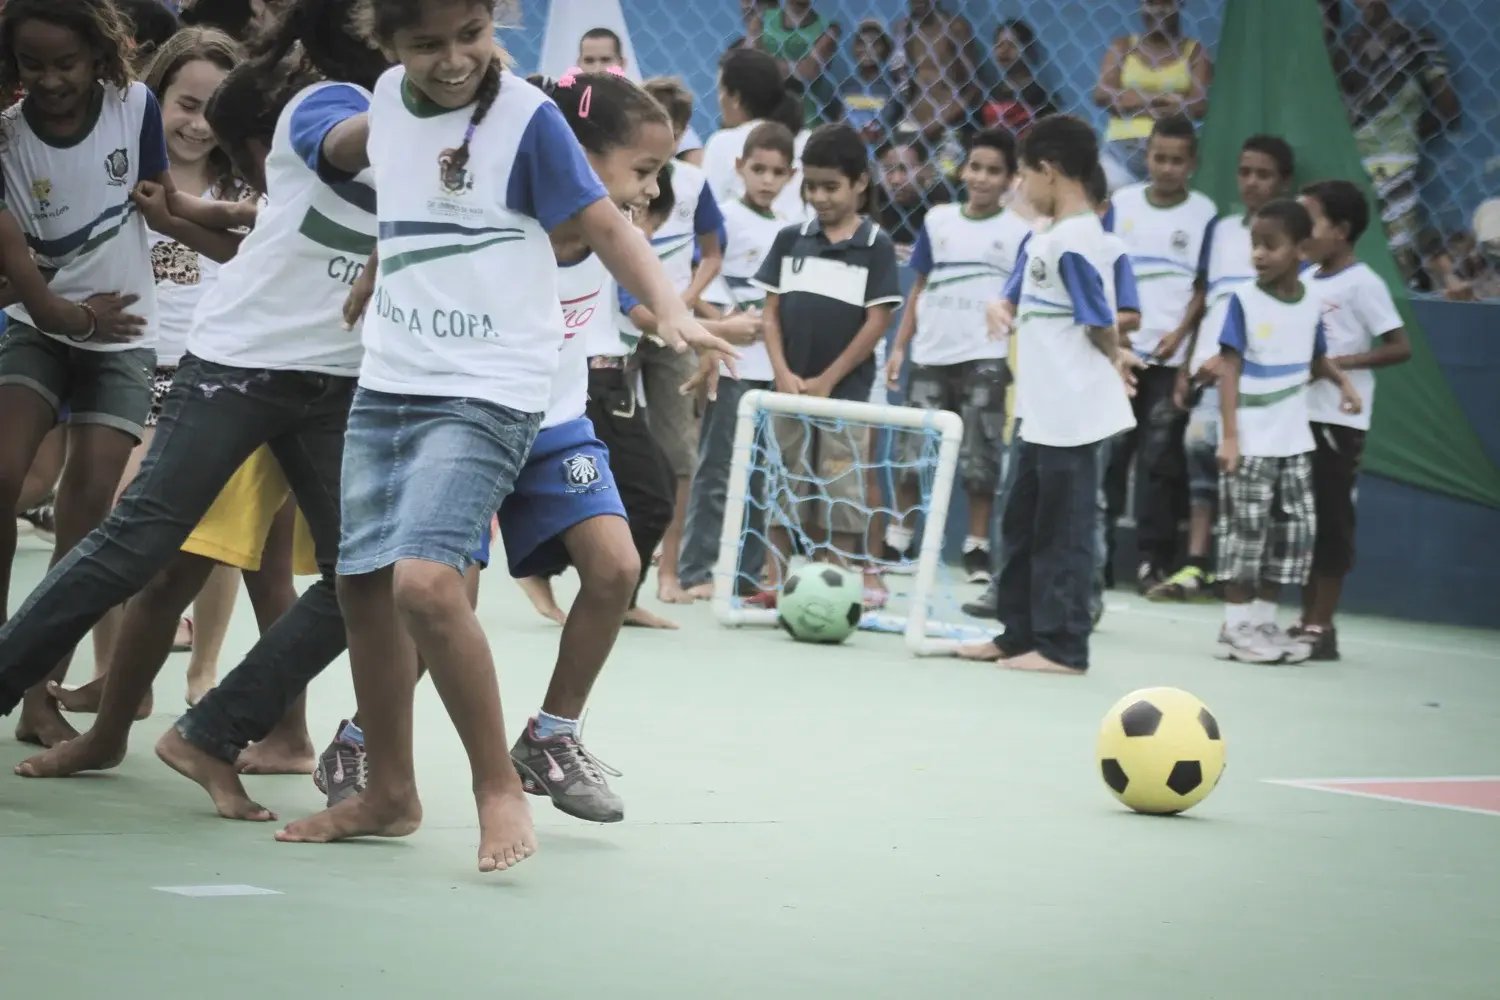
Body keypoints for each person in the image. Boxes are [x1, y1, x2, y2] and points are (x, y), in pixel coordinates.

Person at [271, 0, 730, 873]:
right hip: (391, 380)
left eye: (471, 37)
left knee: (428, 586)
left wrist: (672, 308)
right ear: (387, 46)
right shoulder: (388, 107)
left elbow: (605, 223)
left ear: (495, 24)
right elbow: (409, 205)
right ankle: (389, 791)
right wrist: (378, 269)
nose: (453, 60)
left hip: (489, 388)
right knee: (363, 587)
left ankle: (499, 784)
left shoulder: (526, 118)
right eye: (426, 45)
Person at [0, 0, 386, 784]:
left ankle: (215, 727)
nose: (451, 56)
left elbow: (276, 215)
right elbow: (350, 148)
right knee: (137, 543)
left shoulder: (426, 120)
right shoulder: (333, 107)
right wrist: (450, 105)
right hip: (239, 366)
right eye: (429, 40)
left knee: (363, 574)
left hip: (336, 377)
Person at [0, 0, 226, 747]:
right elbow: (17, 260)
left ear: (100, 55)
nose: (50, 79)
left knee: (90, 505)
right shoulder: (7, 137)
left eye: (64, 63)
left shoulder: (136, 108)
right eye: (32, 65)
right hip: (44, 328)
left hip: (124, 335)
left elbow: (158, 207)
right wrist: (64, 315)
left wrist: (229, 236)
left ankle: (37, 689)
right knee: (5, 473)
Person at [956, 115, 1138, 675]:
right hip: (1039, 412)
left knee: (1065, 530)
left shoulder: (1079, 240)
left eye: (1025, 174)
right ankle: (1017, 635)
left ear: (1050, 172)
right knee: (1023, 522)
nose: (1019, 187)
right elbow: (1024, 292)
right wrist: (1001, 304)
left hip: (1073, 413)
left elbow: (1097, 317)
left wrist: (1117, 356)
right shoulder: (1048, 236)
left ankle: (1064, 647)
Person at [752, 123, 902, 589]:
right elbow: (770, 312)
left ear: (860, 183)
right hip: (790, 390)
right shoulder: (790, 238)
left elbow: (877, 322)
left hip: (846, 394)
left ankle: (833, 579)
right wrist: (781, 372)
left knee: (840, 488)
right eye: (812, 186)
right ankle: (773, 579)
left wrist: (829, 379)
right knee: (783, 481)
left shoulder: (876, 246)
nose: (820, 196)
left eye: (832, 186)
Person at [1149, 134, 1295, 604]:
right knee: (1199, 452)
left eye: (1264, 174)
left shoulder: (1291, 247)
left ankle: (1241, 572)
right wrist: (1187, 362)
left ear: (1283, 182)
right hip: (1204, 369)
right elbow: (1207, 297)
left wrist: (1233, 359)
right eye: (1245, 172)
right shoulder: (1222, 229)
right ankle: (1196, 562)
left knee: (1247, 468)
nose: (1252, 182)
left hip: (1257, 374)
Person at [1214, 199, 1361, 664]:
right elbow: (1229, 369)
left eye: (1270, 246)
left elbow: (1316, 358)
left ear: (1300, 250)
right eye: (1255, 245)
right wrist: (1231, 436)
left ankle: (1262, 620)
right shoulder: (1243, 299)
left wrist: (1343, 383)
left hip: (1295, 443)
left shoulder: (1312, 304)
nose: (1259, 254)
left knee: (1290, 534)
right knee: (1246, 533)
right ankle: (1235, 627)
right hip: (1252, 442)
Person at [884, 128, 1028, 584]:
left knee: (980, 456)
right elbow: (919, 287)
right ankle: (898, 539)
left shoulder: (1020, 233)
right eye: (976, 167)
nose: (982, 178)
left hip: (985, 356)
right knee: (913, 451)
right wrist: (900, 346)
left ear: (1010, 179)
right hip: (931, 353)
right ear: (963, 170)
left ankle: (977, 549)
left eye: (994, 171)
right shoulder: (938, 221)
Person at [678, 121, 797, 601]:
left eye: (777, 172)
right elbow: (693, 275)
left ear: (792, 176)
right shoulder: (722, 216)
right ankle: (697, 569)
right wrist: (721, 320)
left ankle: (747, 576)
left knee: (761, 475)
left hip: (770, 368)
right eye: (758, 169)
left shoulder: (789, 231)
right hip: (730, 364)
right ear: (739, 167)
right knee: (717, 467)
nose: (767, 180)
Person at [1296, 179, 1410, 659]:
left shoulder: (1364, 284)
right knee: (1302, 523)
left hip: (1339, 422)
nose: (1301, 231)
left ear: (1340, 230)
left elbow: (1398, 346)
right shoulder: (1302, 280)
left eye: (1311, 221)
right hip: (1298, 418)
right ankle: (1305, 621)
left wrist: (1341, 365)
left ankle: (1322, 625)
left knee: (1332, 520)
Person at [1106, 114, 1217, 592]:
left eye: (1177, 160)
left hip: (1170, 360)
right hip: (1120, 352)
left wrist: (1182, 337)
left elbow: (1202, 288)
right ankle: (1099, 556)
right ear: (1146, 156)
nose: (1167, 168)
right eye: (1159, 157)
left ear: (1192, 164)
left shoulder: (1204, 214)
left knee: (1160, 460)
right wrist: (1115, 337)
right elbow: (1104, 269)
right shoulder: (1122, 205)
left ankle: (1152, 560)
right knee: (1111, 454)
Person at [636, 77, 725, 605]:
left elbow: (712, 253)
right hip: (619, 327)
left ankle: (670, 571)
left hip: (674, 332)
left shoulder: (692, 183)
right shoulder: (616, 172)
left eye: (674, 126)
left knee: (679, 455)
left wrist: (684, 300)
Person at [1334, 0, 1460, 283]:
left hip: (1396, 161)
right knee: (1358, 250)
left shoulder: (1417, 43)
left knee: (1397, 256)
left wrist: (1404, 133)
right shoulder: (1346, 49)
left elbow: (1448, 107)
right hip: (1356, 164)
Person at [1093, 0, 1212, 190]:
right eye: (1151, 3)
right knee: (1111, 210)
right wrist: (1168, 99)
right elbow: (1102, 95)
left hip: (1172, 152)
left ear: (1179, 5)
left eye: (1166, 4)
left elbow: (1198, 106)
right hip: (1121, 150)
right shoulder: (1123, 45)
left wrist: (1130, 99)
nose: (1158, 11)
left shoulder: (1195, 51)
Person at [703, 47, 807, 221]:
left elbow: (707, 213)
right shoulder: (806, 139)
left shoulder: (723, 143)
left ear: (735, 97)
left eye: (720, 91)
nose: (719, 100)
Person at [745, 0, 841, 129]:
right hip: (764, 118)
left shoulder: (829, 28)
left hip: (806, 122)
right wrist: (794, 67)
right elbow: (750, 64)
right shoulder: (762, 18)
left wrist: (765, 62)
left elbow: (808, 71)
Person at [981, 19, 1058, 136]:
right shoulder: (992, 92)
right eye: (999, 45)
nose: (1004, 51)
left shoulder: (1040, 96)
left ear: (1026, 49)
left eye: (1012, 45)